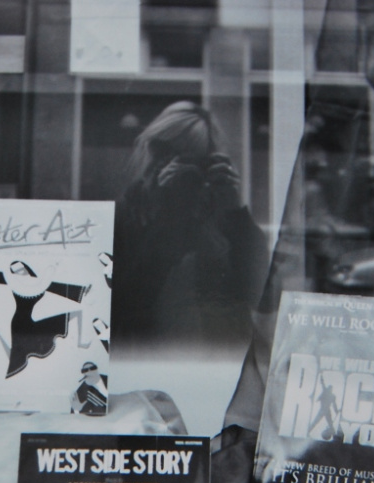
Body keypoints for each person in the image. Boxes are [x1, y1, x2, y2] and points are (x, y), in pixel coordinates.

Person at [112, 101, 269, 349]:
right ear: (154, 154)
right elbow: (125, 304)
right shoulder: (128, 213)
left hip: (221, 359)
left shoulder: (221, 216)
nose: (187, 174)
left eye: (196, 162)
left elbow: (267, 299)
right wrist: (168, 216)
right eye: (175, 158)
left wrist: (235, 212)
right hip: (148, 359)